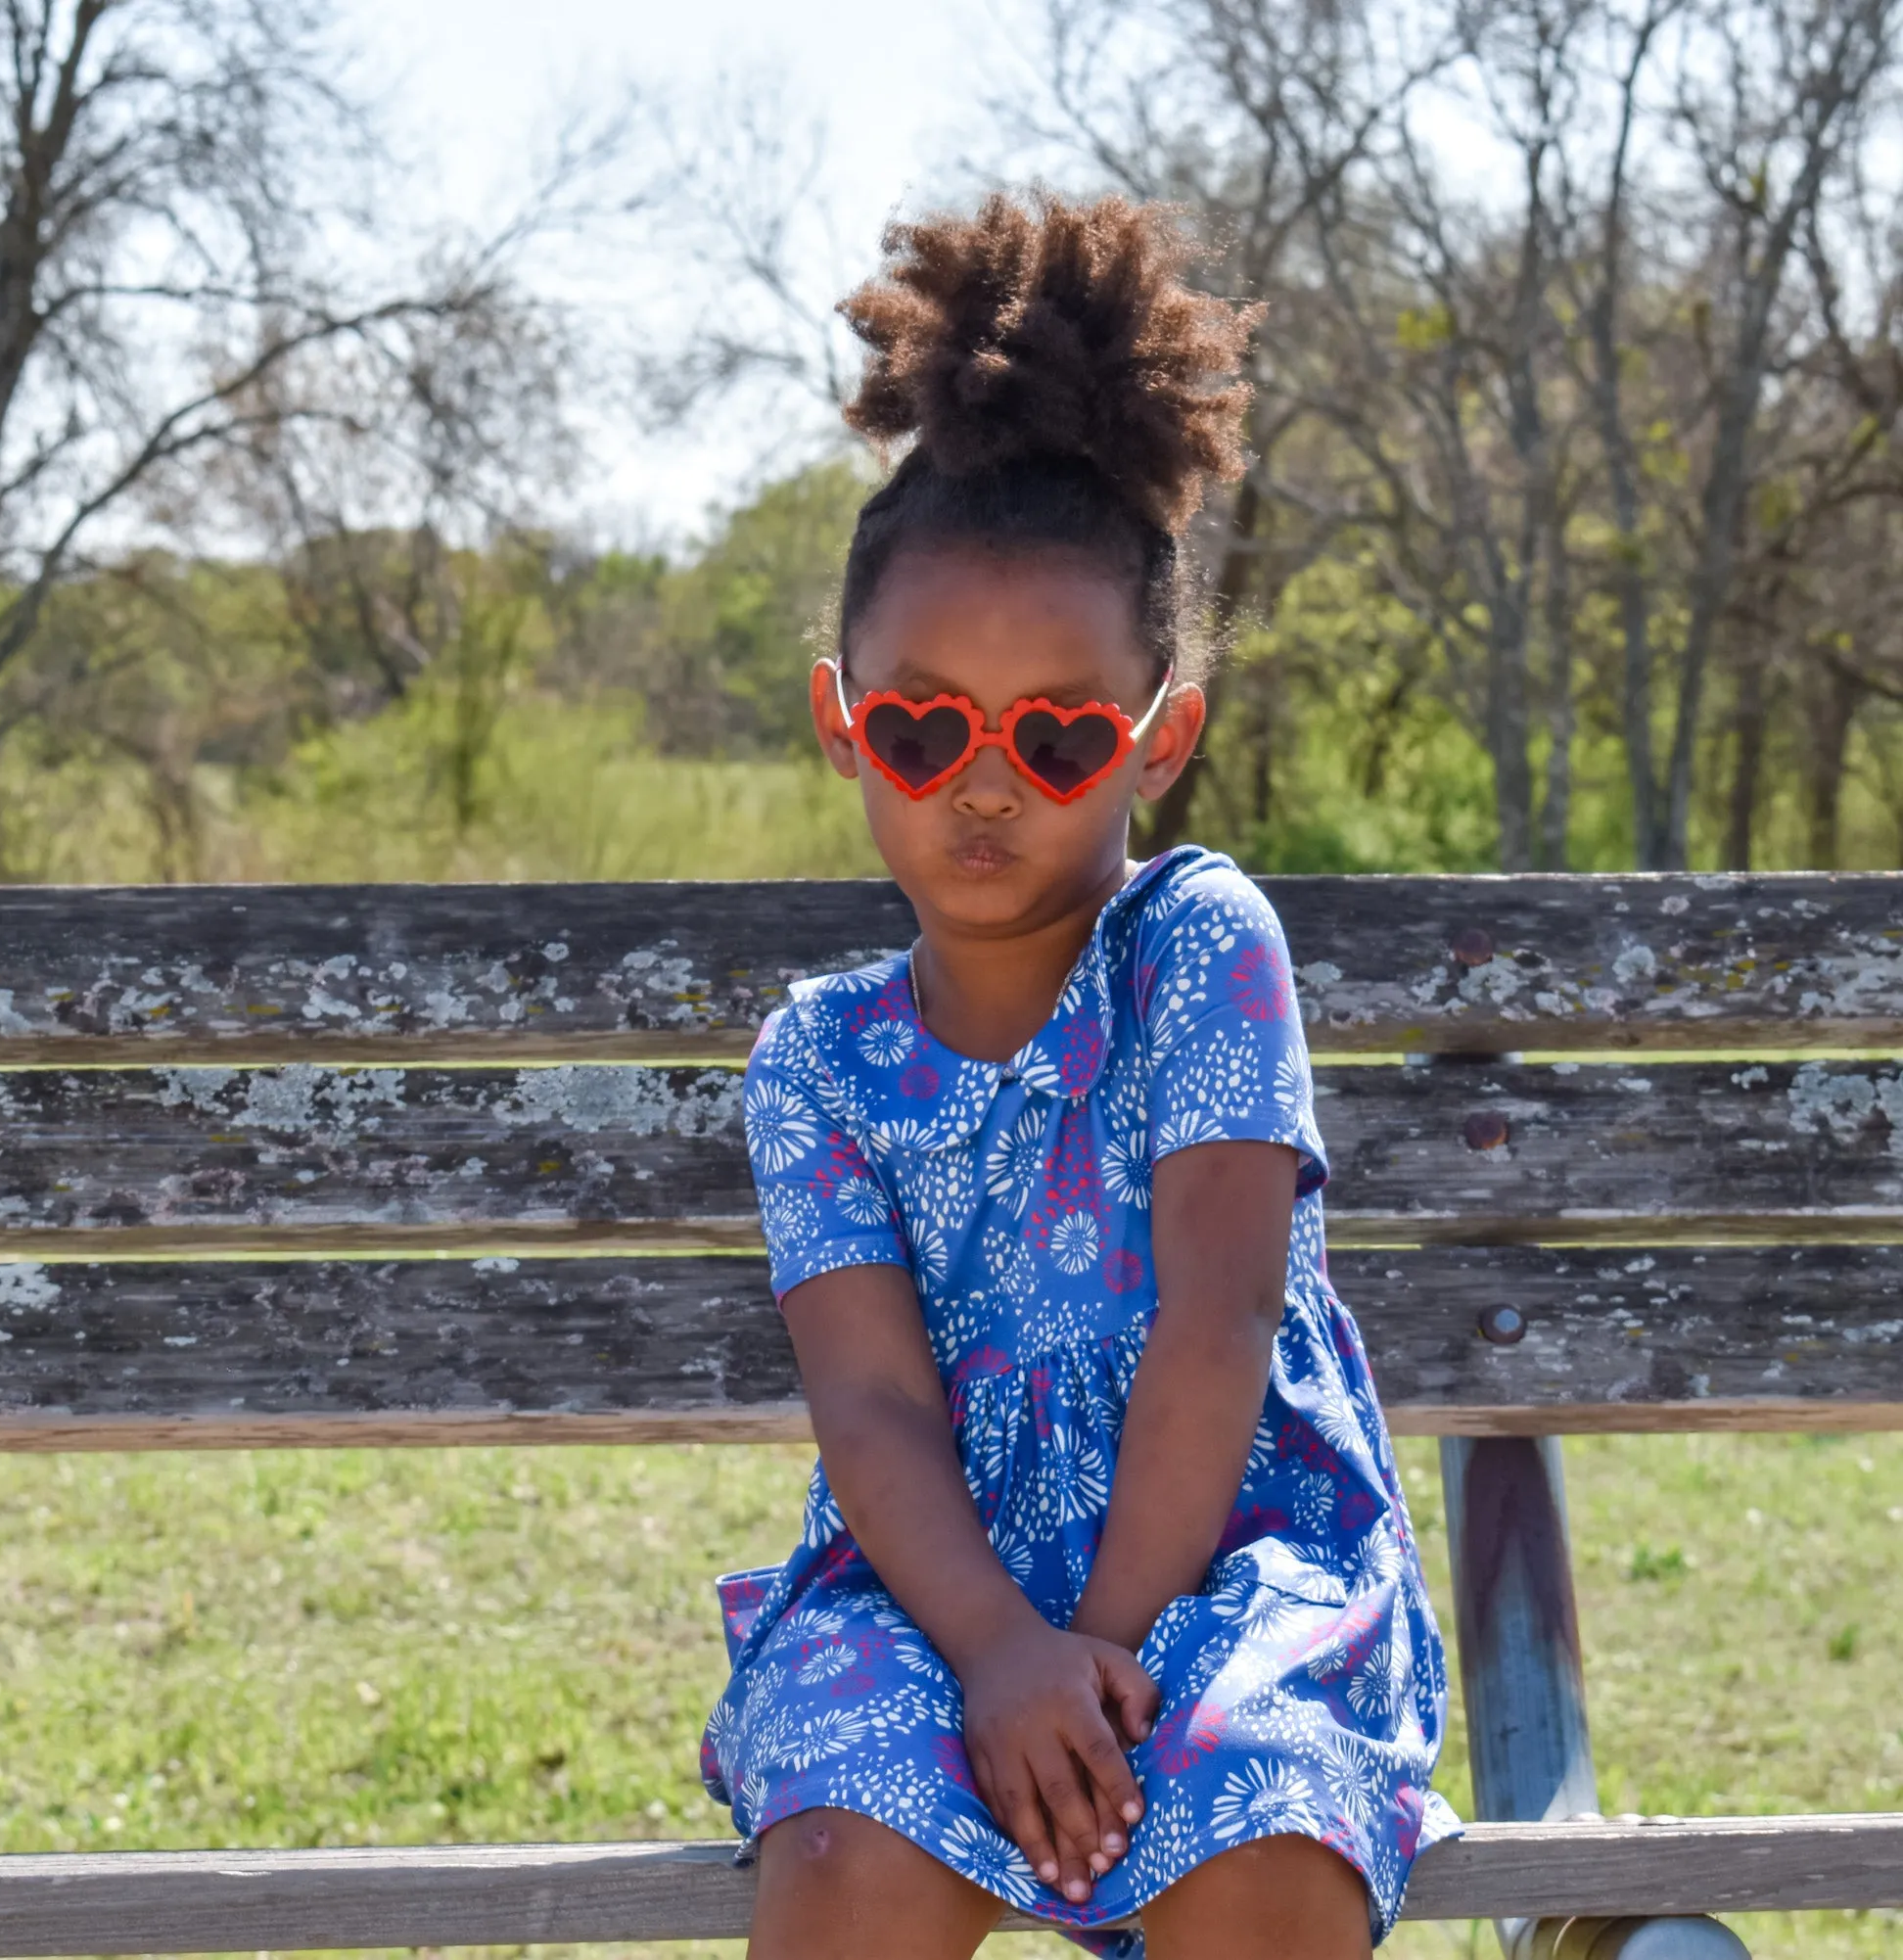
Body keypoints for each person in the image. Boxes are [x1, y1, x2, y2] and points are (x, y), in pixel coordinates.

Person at [699, 189, 1460, 1960]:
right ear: (844, 721)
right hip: (930, 1586)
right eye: (921, 723)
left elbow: (1215, 1323)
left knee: (1256, 1837)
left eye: (1052, 734)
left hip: (1221, 1560)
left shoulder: (1200, 948)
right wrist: (997, 1649)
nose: (983, 782)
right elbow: (875, 1412)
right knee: (841, 1852)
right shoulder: (822, 1061)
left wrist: (1095, 1652)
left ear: (1159, 734)